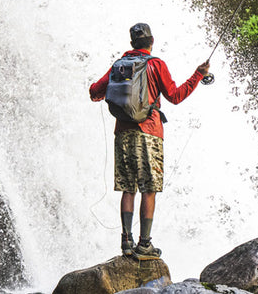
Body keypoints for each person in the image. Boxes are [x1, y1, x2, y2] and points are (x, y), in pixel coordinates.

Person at [86, 23, 213, 259]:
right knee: (149, 188)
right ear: (151, 41)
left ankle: (126, 242)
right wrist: (199, 74)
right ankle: (145, 244)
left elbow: (95, 91)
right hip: (150, 131)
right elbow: (175, 96)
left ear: (132, 43)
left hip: (123, 132)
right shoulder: (156, 64)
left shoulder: (118, 66)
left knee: (127, 188)